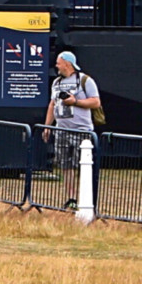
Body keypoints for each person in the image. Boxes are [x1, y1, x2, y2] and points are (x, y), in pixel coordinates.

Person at [47, 49, 104, 197]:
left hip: (81, 131)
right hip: (61, 131)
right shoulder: (56, 82)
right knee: (65, 166)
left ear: (67, 64)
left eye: (58, 63)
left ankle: (86, 197)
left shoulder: (85, 80)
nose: (56, 66)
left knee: (84, 165)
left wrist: (75, 102)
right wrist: (47, 127)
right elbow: (52, 104)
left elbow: (96, 102)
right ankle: (71, 198)